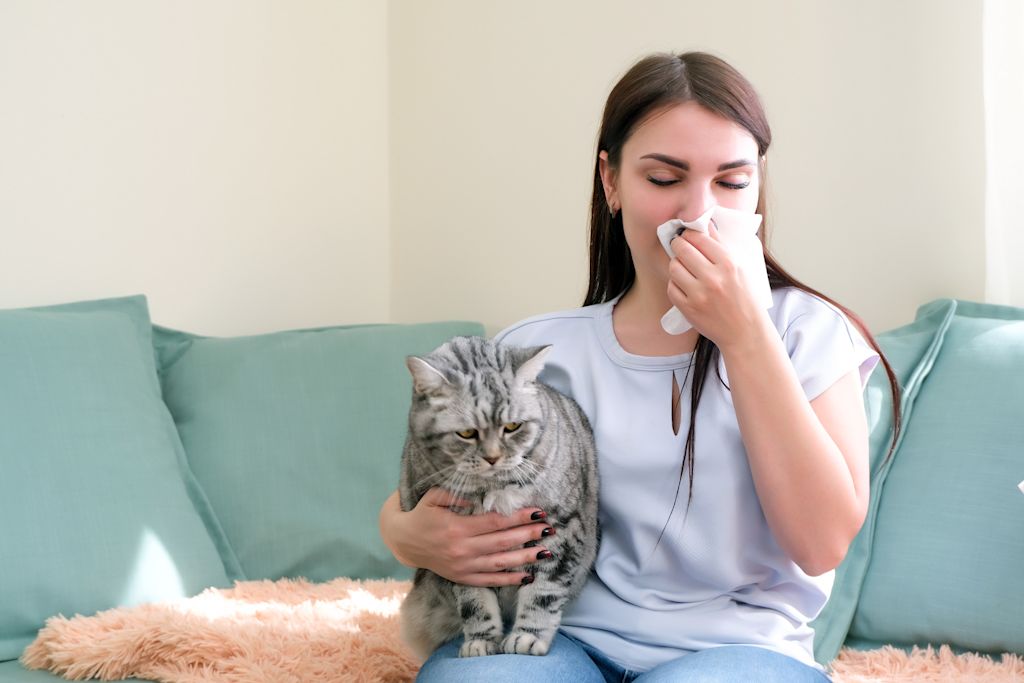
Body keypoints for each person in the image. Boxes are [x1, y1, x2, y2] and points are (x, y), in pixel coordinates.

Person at [378, 51, 901, 682]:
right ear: (611, 182)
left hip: (742, 653)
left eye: (732, 182)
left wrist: (744, 335)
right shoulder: (544, 350)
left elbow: (822, 542)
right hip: (557, 638)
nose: (697, 213)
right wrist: (406, 536)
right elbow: (425, 494)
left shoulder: (809, 333)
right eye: (664, 179)